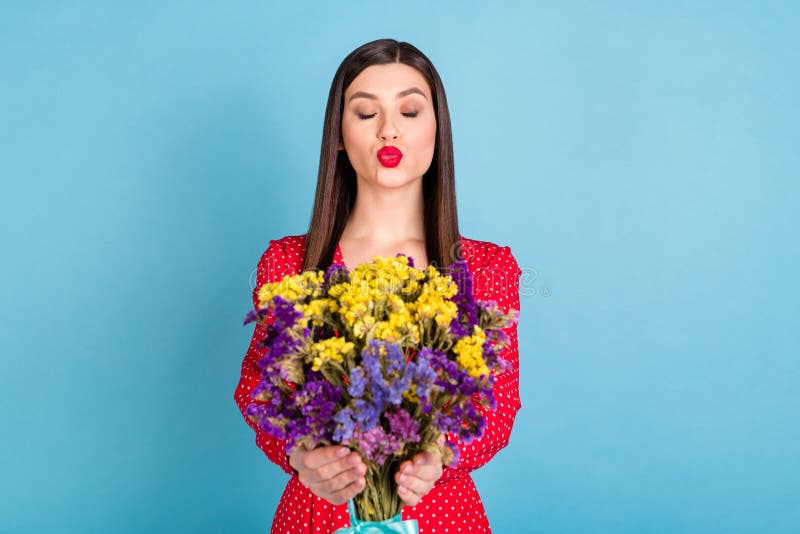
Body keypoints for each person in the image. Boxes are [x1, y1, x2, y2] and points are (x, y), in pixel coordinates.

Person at [234, 38, 522, 533]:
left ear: (437, 130)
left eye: (410, 111)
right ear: (340, 136)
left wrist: (440, 456)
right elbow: (258, 392)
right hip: (317, 515)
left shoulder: (486, 268)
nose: (389, 129)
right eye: (366, 114)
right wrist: (301, 456)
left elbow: (497, 405)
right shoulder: (288, 264)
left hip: (440, 516)